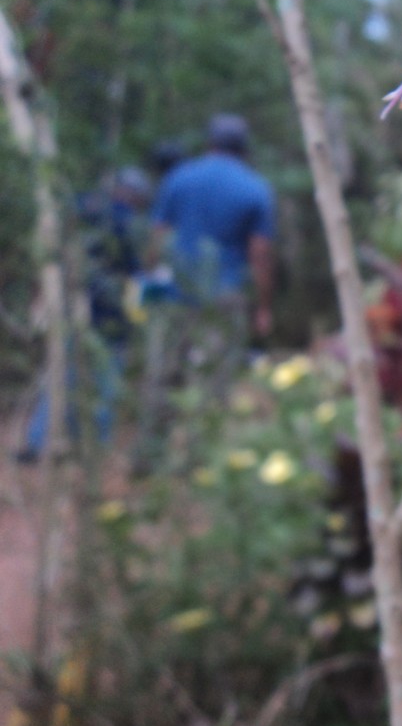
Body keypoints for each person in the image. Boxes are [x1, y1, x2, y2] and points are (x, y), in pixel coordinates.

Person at [138, 114, 275, 468]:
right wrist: (262, 307)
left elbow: (158, 235)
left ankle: (149, 456)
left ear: (209, 144)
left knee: (164, 375)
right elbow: (259, 254)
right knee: (213, 381)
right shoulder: (255, 188)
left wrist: (149, 277)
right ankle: (196, 465)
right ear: (244, 150)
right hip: (224, 298)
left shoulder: (178, 178)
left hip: (173, 294)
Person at [15, 166, 153, 463]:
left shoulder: (83, 206)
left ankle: (39, 444)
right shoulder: (128, 223)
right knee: (105, 383)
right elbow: (138, 275)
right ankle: (93, 449)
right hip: (111, 316)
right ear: (135, 196)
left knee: (62, 376)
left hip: (72, 306)